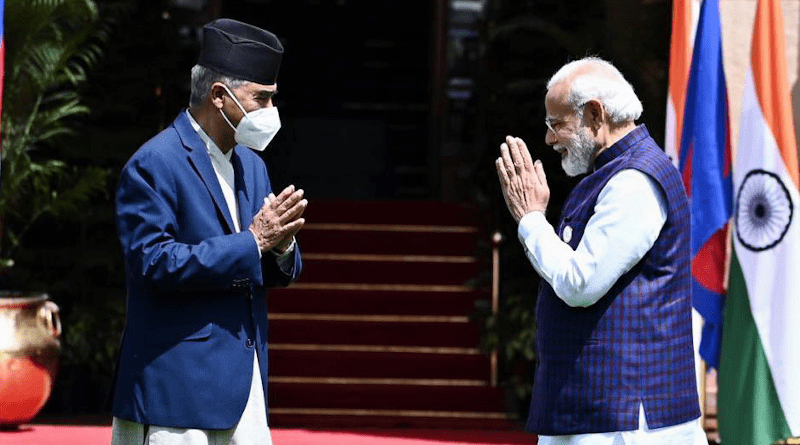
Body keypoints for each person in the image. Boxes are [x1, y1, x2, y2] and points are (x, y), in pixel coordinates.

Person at [109, 18, 306, 445]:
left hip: (245, 385)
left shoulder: (252, 164)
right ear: (220, 96)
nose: (271, 113)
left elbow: (266, 263)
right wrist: (253, 241)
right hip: (176, 389)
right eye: (262, 99)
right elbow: (153, 263)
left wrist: (281, 247)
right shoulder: (154, 163)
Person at [495, 56, 709, 445]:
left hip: (624, 420)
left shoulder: (634, 179)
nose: (549, 139)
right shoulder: (613, 174)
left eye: (556, 124)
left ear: (595, 115)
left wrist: (530, 220)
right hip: (600, 410)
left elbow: (580, 283)